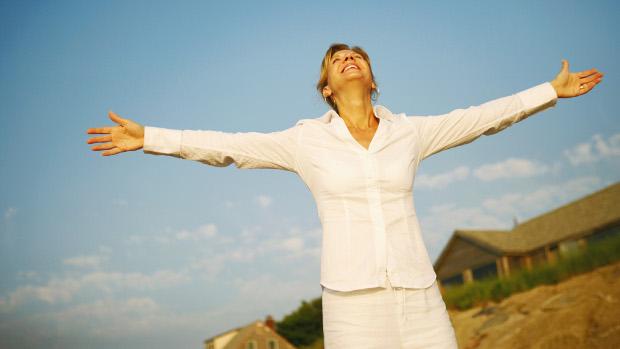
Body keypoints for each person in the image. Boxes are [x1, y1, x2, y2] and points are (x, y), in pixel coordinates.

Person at [86, 43, 603, 348]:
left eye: (357, 56)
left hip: (420, 297)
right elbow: (229, 148)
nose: (349, 59)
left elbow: (478, 120)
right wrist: (150, 137)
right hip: (352, 305)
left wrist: (548, 91)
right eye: (337, 60)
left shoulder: (410, 132)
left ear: (372, 78)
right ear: (326, 88)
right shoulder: (305, 141)